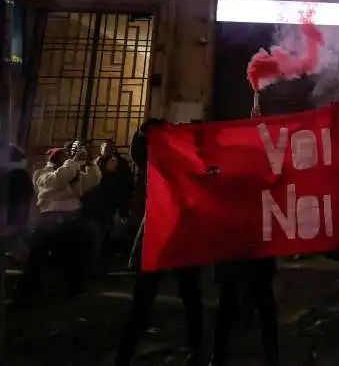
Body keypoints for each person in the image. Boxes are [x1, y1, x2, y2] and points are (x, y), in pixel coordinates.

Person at [113, 119, 203, 366]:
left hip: (181, 235)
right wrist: (150, 130)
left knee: (188, 294)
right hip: (160, 233)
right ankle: (125, 354)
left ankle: (197, 349)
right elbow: (138, 150)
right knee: (146, 297)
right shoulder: (156, 162)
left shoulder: (190, 163)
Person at [209, 103, 279, 366]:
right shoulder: (225, 167)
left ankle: (270, 354)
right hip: (234, 244)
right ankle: (220, 354)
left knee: (262, 301)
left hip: (256, 242)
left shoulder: (266, 164)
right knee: (230, 302)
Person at [15, 143, 102, 299]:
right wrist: (72, 165)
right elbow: (58, 180)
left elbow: (92, 181)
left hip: (72, 219)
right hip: (50, 219)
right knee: (37, 256)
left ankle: (73, 287)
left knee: (75, 255)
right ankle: (28, 289)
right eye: (64, 156)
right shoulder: (42, 174)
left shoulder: (71, 173)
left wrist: (89, 163)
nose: (68, 158)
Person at [82, 140, 134, 267]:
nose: (107, 150)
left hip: (114, 201)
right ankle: (97, 258)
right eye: (105, 147)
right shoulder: (96, 162)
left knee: (111, 230)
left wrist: (123, 202)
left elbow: (126, 183)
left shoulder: (121, 163)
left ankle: (108, 256)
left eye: (110, 147)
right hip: (97, 202)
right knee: (98, 230)